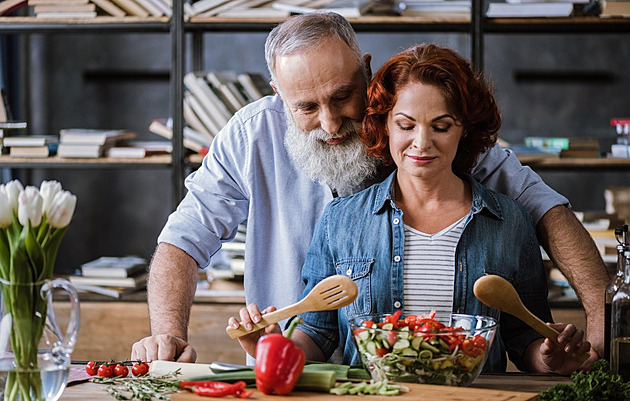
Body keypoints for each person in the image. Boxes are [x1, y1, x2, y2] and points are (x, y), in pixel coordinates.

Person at [131, 11, 606, 364]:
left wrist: (604, 327)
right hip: (299, 374)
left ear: (367, 71)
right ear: (277, 94)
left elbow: (546, 211)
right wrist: (166, 335)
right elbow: (183, 239)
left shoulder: (417, 123)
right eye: (306, 107)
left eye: (342, 96)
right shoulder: (250, 134)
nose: (331, 122)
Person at [231, 43, 591, 375]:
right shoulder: (341, 220)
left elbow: (524, 338)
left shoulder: (509, 221)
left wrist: (548, 357)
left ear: (464, 130)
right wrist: (267, 345)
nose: (421, 143)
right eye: (406, 125)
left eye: (441, 126)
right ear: (383, 124)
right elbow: (317, 334)